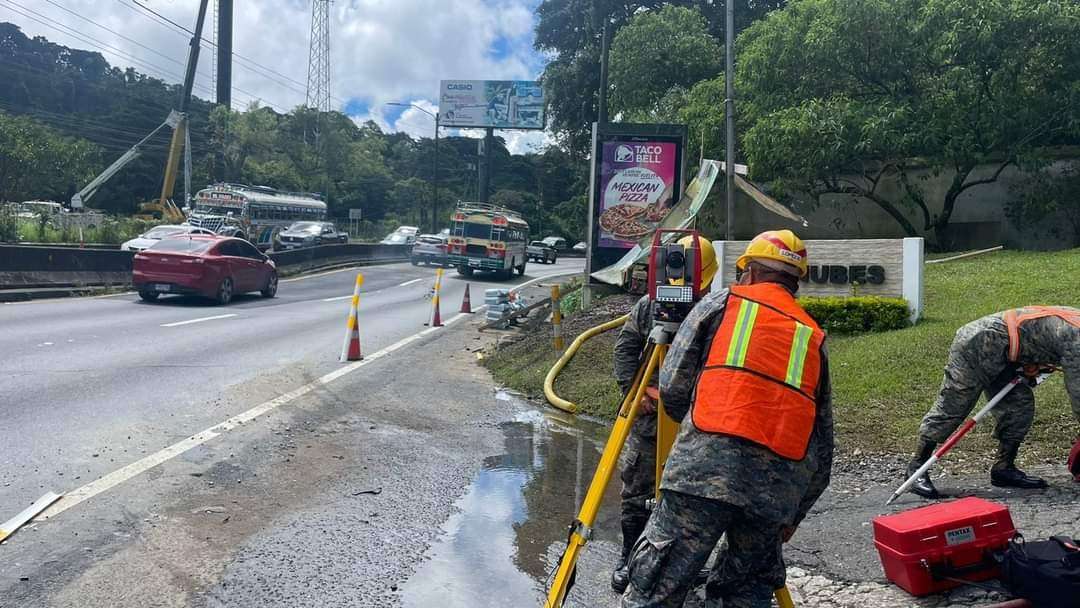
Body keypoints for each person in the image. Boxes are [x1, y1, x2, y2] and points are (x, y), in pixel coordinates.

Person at [622, 230, 834, 608]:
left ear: (748, 271)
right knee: (745, 594)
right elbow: (823, 443)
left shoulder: (722, 304)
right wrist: (792, 515)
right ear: (795, 283)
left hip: (702, 476)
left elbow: (672, 386)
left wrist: (695, 428)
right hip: (774, 494)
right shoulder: (812, 336)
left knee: (656, 589)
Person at [610, 235, 718, 594]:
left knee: (688, 497)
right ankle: (629, 558)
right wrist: (634, 391)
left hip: (695, 423)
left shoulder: (716, 312)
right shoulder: (649, 307)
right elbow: (625, 349)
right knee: (637, 489)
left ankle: (682, 565)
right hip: (650, 420)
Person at [907, 306, 1080, 498]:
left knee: (1018, 407)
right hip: (980, 342)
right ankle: (917, 469)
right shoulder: (1077, 338)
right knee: (954, 404)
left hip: (1009, 352)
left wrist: (1032, 361)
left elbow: (1044, 342)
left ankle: (1003, 468)